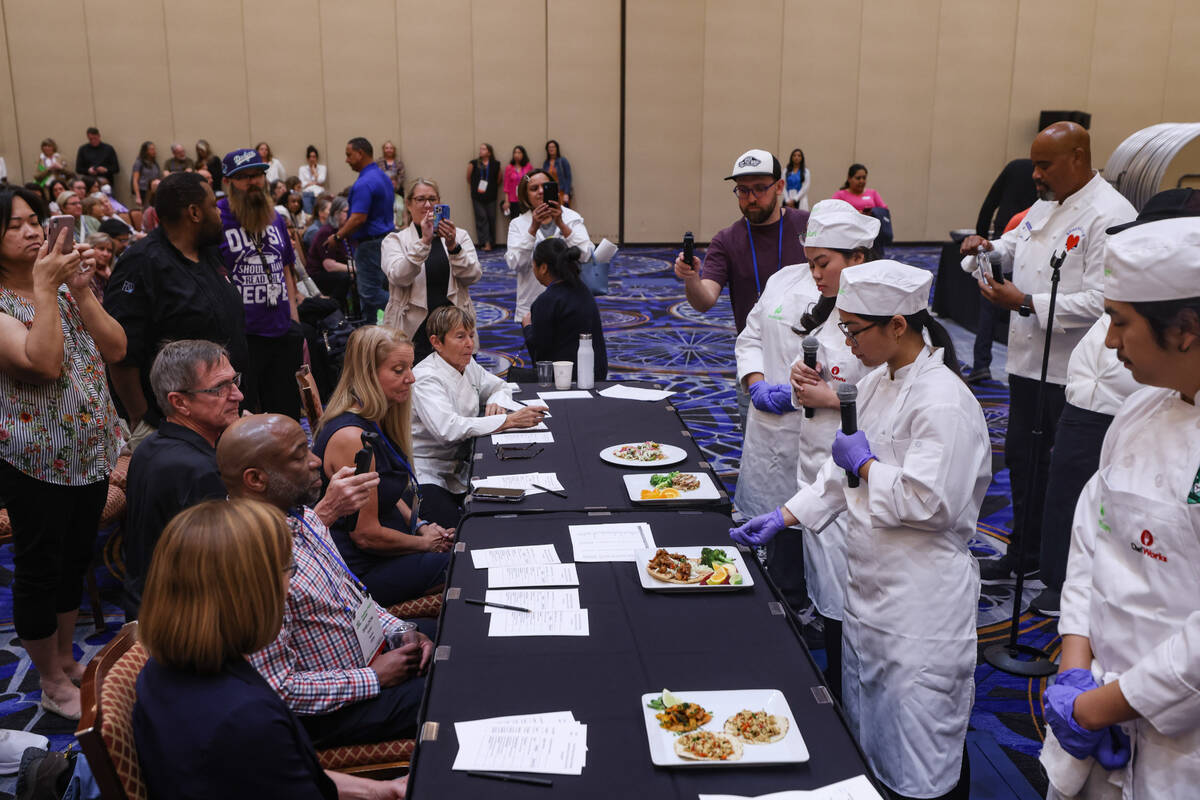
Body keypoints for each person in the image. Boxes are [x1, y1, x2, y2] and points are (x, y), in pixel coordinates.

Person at [731, 260, 987, 800]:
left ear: (898, 325)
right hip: (871, 587)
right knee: (871, 728)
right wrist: (785, 516)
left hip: (922, 597)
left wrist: (869, 467)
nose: (845, 342)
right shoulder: (877, 383)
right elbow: (835, 472)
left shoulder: (944, 401)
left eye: (853, 330)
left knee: (921, 748)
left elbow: (931, 501)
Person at [1038, 216, 1200, 800]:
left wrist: (1103, 705)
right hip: (1092, 706)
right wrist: (1074, 664)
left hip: (1180, 745)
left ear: (1184, 329)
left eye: (1121, 321)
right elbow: (1092, 542)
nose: (1109, 341)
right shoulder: (1138, 413)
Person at [133, 498, 408, 800]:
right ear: (251, 592)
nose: (290, 585)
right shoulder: (246, 718)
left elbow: (289, 772)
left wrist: (381, 790)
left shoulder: (162, 668)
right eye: (287, 568)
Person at [959, 121, 1136, 586]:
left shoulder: (1110, 214)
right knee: (1021, 458)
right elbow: (1013, 247)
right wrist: (986, 248)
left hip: (1077, 374)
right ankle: (1025, 549)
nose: (1035, 175)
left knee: (1066, 473)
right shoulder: (1044, 204)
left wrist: (1025, 303)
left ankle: (1065, 568)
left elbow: (1106, 299)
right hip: (1026, 363)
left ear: (1078, 158)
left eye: (1044, 164)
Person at [219, 414, 431, 750]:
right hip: (327, 715)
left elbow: (353, 596)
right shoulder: (248, 561)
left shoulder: (300, 517)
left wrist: (399, 630)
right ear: (256, 479)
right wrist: (373, 678)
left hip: (366, 657)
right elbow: (278, 690)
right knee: (451, 688)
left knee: (452, 635)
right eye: (299, 455)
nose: (317, 461)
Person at [735, 199, 878, 693]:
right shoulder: (789, 285)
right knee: (800, 547)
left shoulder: (875, 310)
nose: (814, 271)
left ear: (857, 256)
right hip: (786, 438)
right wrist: (762, 382)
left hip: (842, 457)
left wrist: (827, 396)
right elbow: (751, 336)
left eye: (824, 261)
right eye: (811, 259)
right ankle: (800, 616)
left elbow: (889, 388)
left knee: (842, 583)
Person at [0, 187, 126, 720]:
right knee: (39, 566)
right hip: (33, 460)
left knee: (76, 556)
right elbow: (44, 362)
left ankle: (66, 658)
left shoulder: (58, 286)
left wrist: (81, 289)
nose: (32, 232)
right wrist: (49, 290)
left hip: (88, 451)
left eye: (34, 221)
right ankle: (50, 679)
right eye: (15, 225)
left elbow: (117, 349)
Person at [104, 172, 249, 448]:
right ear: (194, 212)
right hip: (173, 425)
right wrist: (140, 418)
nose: (219, 213)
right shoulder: (141, 263)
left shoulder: (208, 253)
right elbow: (122, 353)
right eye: (213, 206)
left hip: (224, 411)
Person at [313, 326, 453, 605]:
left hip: (388, 547)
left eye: (410, 367)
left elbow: (387, 490)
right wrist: (423, 544)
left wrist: (421, 526)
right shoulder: (352, 438)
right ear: (368, 374)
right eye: (398, 370)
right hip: (363, 571)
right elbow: (365, 535)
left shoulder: (376, 417)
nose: (411, 378)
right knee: (462, 565)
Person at [674, 148, 809, 421]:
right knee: (757, 450)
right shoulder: (726, 240)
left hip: (808, 356)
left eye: (760, 188)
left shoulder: (807, 226)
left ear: (780, 186)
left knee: (812, 451)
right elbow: (704, 300)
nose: (751, 198)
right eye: (743, 190)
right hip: (757, 360)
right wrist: (691, 279)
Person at [121, 341, 243, 618]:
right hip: (183, 625)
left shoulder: (151, 446)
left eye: (234, 381)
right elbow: (225, 573)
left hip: (147, 605)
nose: (237, 394)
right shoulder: (200, 471)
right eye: (219, 388)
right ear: (179, 402)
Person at [411, 306, 546, 526]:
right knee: (460, 530)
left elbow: (501, 386)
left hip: (461, 465)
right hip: (429, 470)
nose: (469, 344)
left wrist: (496, 401)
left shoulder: (467, 363)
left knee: (515, 509)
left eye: (471, 335)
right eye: (460, 336)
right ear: (436, 342)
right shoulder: (426, 378)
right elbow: (449, 429)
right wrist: (508, 420)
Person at [217, 147, 303, 419]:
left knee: (286, 413)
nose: (253, 182)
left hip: (281, 331)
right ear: (228, 183)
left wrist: (294, 322)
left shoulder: (275, 217)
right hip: (242, 338)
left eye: (258, 175)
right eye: (244, 176)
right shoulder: (217, 219)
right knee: (245, 418)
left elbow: (286, 269)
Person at [382, 178, 481, 363]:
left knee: (459, 385)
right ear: (409, 205)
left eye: (432, 199)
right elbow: (399, 277)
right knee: (414, 387)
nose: (427, 205)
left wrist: (453, 247)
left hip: (455, 330)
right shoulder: (394, 240)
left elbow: (473, 276)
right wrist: (424, 242)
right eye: (420, 199)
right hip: (412, 331)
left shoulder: (459, 236)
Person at [967, 157, 1037, 383]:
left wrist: (980, 241)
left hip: (1002, 240)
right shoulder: (1046, 174)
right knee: (1024, 305)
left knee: (989, 304)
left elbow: (990, 203)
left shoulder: (1016, 166)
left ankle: (981, 365)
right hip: (1029, 244)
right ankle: (1024, 369)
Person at [505, 169, 594, 321]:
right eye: (534, 189)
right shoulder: (518, 224)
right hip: (533, 303)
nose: (540, 192)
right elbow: (515, 263)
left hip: (571, 301)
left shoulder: (571, 218)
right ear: (526, 195)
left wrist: (562, 225)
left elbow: (586, 255)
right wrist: (532, 229)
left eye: (545, 187)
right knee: (538, 344)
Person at [522, 238, 607, 382]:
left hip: (564, 378)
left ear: (543, 268)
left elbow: (540, 355)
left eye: (534, 265)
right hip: (594, 372)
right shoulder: (583, 289)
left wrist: (527, 326)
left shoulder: (546, 301)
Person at [329, 137, 395, 322]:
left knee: (369, 294)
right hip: (386, 239)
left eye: (349, 155)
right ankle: (375, 331)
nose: (347, 160)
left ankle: (405, 309)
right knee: (381, 289)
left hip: (370, 244)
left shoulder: (364, 183)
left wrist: (337, 236)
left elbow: (358, 217)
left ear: (361, 153)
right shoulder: (383, 177)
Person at [308, 195, 352, 307]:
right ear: (336, 213)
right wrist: (354, 269)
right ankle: (334, 309)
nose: (349, 215)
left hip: (332, 273)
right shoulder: (327, 232)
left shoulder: (342, 231)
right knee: (345, 277)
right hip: (318, 274)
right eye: (346, 212)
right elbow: (329, 265)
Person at [467, 143, 501, 251]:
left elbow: (499, 180)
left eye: (484, 149)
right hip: (477, 196)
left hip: (491, 196)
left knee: (491, 219)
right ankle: (485, 243)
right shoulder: (473, 163)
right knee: (482, 218)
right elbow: (468, 178)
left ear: (489, 152)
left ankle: (491, 242)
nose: (481, 150)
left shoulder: (495, 164)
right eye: (480, 149)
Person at [502, 145, 532, 224]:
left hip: (525, 198)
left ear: (523, 154)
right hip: (513, 199)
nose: (516, 155)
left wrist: (525, 177)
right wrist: (506, 201)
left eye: (519, 152)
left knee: (526, 220)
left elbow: (530, 181)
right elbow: (506, 186)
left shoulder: (528, 167)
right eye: (515, 152)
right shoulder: (509, 168)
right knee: (515, 220)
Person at [130, 142, 162, 209]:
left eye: (154, 149)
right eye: (151, 149)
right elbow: (135, 180)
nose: (154, 151)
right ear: (146, 151)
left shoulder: (154, 163)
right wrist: (138, 197)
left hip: (152, 192)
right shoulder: (139, 163)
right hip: (142, 191)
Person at [83, 231, 114, 299]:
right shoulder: (82, 273)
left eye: (109, 251)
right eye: (101, 249)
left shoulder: (108, 274)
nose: (105, 254)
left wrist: (110, 279)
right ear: (90, 248)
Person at [542, 139, 572, 207]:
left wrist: (566, 193)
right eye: (549, 147)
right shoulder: (546, 163)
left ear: (557, 148)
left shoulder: (562, 161)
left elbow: (568, 177)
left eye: (553, 147)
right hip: (550, 192)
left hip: (561, 192)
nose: (551, 149)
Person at [298, 145, 327, 215]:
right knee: (309, 214)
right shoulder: (302, 169)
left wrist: (314, 171)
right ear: (307, 158)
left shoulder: (322, 168)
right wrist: (314, 183)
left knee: (319, 214)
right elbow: (301, 184)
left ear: (317, 158)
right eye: (310, 157)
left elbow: (321, 180)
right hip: (307, 193)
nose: (312, 159)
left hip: (319, 193)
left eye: (314, 157)